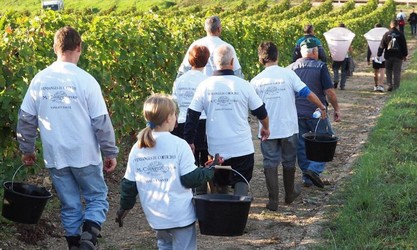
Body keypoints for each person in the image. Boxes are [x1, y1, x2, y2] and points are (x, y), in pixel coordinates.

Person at [16, 26, 119, 250]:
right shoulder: (86, 80)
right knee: (97, 197)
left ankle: (74, 245)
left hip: (56, 155)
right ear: (79, 47)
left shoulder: (40, 79)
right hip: (85, 154)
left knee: (70, 204)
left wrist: (28, 149)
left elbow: (26, 119)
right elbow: (101, 122)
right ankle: (89, 239)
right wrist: (110, 152)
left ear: (55, 47)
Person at [115, 94, 215, 250]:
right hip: (181, 215)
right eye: (175, 114)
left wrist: (124, 208)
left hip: (156, 217)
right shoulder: (179, 145)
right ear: (169, 118)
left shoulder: (138, 147)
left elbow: (129, 185)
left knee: (164, 245)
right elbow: (190, 179)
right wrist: (209, 171)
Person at [184, 44, 270, 196]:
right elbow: (261, 111)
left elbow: (192, 115)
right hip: (241, 147)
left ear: (214, 63)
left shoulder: (205, 86)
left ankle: (220, 212)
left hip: (216, 148)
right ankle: (238, 210)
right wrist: (266, 127)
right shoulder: (244, 85)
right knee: (242, 179)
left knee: (219, 180)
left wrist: (189, 140)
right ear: (232, 62)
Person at [251, 41, 327, 211]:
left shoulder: (255, 81)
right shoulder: (288, 75)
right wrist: (321, 107)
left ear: (261, 59)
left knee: (270, 162)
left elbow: (251, 107)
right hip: (289, 127)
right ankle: (290, 193)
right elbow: (307, 93)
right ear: (277, 56)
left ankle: (273, 201)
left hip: (267, 130)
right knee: (289, 160)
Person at [288, 38, 341, 188]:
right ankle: (314, 170)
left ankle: (307, 177)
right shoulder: (320, 66)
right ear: (315, 52)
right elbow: (329, 91)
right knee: (326, 141)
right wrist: (336, 108)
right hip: (317, 112)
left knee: (302, 145)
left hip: (297, 113)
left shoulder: (290, 68)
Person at [172, 44, 210, 193]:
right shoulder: (207, 81)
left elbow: (174, 101)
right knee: (204, 158)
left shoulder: (180, 81)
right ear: (206, 61)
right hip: (203, 122)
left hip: (182, 122)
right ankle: (202, 191)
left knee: (186, 159)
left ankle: (188, 191)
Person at [176, 16, 243, 78]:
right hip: (220, 87)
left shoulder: (195, 45)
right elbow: (237, 72)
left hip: (198, 86)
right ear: (219, 29)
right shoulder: (227, 47)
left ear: (205, 28)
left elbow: (184, 70)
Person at [377, 19, 408, 91]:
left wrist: (379, 54)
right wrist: (405, 55)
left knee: (388, 71)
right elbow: (404, 45)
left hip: (388, 56)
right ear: (397, 25)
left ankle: (389, 85)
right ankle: (396, 87)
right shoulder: (400, 34)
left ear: (390, 25)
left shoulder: (386, 34)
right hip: (398, 56)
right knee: (397, 71)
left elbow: (382, 45)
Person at [332, 23, 353, 90]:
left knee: (335, 69)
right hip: (345, 56)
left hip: (336, 55)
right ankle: (342, 85)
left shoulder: (334, 37)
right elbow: (350, 49)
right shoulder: (347, 37)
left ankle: (336, 80)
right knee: (344, 71)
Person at [367, 23, 386, 92]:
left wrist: (368, 58)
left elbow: (369, 48)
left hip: (374, 56)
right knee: (382, 71)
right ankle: (381, 86)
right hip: (383, 56)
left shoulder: (372, 36)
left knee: (376, 72)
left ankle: (376, 85)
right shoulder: (385, 35)